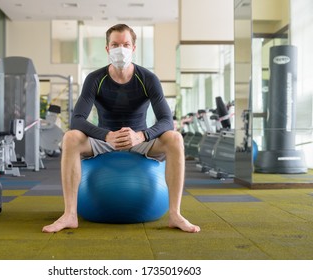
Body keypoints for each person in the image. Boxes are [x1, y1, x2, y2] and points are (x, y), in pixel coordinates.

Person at [42, 24, 200, 234]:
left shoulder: (147, 79)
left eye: (126, 44)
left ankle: (175, 214)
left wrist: (141, 135)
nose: (120, 49)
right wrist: (106, 135)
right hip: (104, 140)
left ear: (133, 48)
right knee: (71, 137)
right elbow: (77, 119)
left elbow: (166, 120)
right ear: (107, 48)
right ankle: (70, 214)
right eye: (115, 44)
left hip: (140, 141)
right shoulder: (95, 79)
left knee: (175, 138)